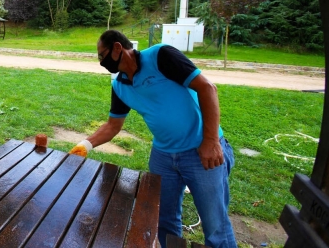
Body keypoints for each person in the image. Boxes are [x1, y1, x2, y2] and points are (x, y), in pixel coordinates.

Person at [69, 29, 236, 248]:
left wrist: (211, 141)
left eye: (102, 55)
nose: (101, 62)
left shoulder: (160, 56)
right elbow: (113, 125)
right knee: (163, 220)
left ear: (118, 48)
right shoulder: (119, 86)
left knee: (215, 226)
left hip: (200, 151)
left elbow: (207, 88)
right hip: (163, 157)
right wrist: (85, 144)